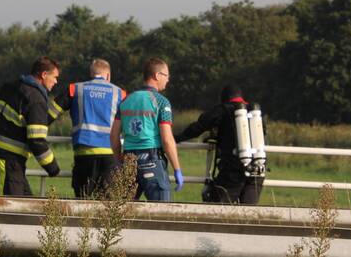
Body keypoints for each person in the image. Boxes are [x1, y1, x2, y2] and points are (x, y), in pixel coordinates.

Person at [0, 57, 62, 196]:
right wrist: (53, 167)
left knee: (25, 206)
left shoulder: (10, 87)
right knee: (9, 207)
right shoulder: (37, 100)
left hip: (5, 157)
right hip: (10, 158)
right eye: (55, 77)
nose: (56, 82)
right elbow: (37, 140)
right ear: (44, 75)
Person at [110, 57, 183, 202]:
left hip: (128, 161)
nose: (168, 79)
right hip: (152, 161)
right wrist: (177, 169)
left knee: (124, 215)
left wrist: (120, 160)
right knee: (161, 214)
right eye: (166, 75)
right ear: (157, 76)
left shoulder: (126, 101)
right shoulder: (161, 102)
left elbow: (113, 137)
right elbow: (167, 140)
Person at [175, 86, 263, 205]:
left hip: (232, 172)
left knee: (218, 210)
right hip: (257, 170)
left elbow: (197, 128)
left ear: (224, 99)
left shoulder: (222, 109)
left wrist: (175, 138)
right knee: (249, 214)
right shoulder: (254, 113)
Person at [54, 58, 125, 197]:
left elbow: (50, 111)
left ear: (91, 74)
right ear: (108, 76)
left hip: (84, 155)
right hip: (110, 155)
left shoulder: (76, 89)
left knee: (82, 201)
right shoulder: (120, 94)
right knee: (108, 205)